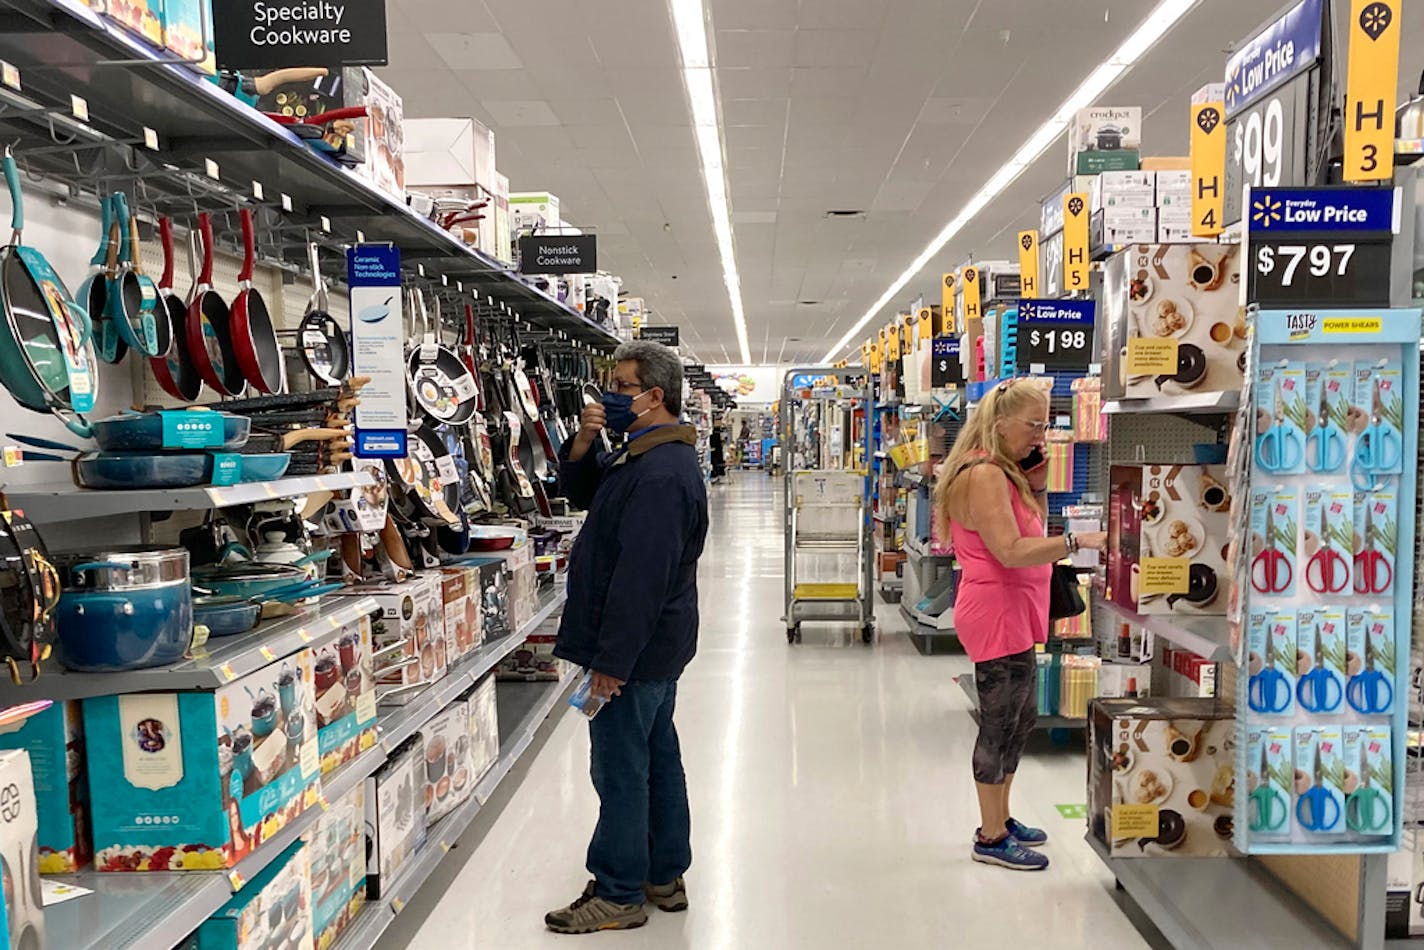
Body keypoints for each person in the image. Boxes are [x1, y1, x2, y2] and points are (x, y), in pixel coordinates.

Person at [545, 340, 710, 934]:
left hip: (635, 652)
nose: (609, 396)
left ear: (654, 396)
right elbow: (587, 497)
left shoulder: (662, 475)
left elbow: (641, 579)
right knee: (657, 757)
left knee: (619, 768)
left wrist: (612, 662)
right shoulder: (643, 455)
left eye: (620, 387)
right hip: (655, 649)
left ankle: (617, 891)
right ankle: (663, 874)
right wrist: (584, 445)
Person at [934, 378, 1106, 872]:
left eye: (1045, 423)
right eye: (1034, 425)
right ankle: (989, 836)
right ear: (1000, 423)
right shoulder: (984, 475)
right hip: (994, 611)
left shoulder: (1004, 473)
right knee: (997, 723)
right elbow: (1010, 551)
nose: (1041, 433)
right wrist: (1076, 543)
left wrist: (1036, 482)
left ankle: (1002, 818)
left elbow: (1029, 530)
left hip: (1016, 609)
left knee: (1021, 719)